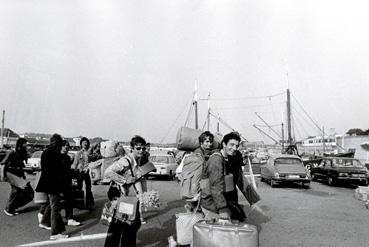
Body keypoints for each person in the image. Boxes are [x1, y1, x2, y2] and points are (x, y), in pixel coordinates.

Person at [200, 132, 260, 221]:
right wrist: (222, 208)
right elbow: (215, 187)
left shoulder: (226, 158)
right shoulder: (216, 160)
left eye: (236, 146)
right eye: (231, 145)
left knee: (239, 215)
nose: (234, 148)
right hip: (210, 203)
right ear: (224, 144)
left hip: (217, 200)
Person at [103, 135, 145, 247]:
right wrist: (125, 180)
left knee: (122, 224)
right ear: (132, 148)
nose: (141, 150)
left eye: (143, 148)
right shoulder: (126, 161)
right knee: (127, 224)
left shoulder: (135, 161)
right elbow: (108, 172)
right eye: (138, 148)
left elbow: (136, 180)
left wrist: (142, 196)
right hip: (117, 194)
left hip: (124, 196)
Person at [36, 134, 69, 240]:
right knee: (55, 207)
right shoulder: (56, 154)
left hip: (46, 183)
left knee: (51, 204)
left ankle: (45, 222)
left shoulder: (45, 152)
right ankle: (55, 233)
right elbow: (59, 172)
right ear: (58, 143)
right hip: (53, 184)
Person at [3, 137, 28, 216]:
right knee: (15, 191)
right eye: (25, 144)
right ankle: (8, 208)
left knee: (20, 191)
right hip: (11, 174)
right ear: (21, 144)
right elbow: (4, 163)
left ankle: (12, 207)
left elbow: (21, 165)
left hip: (18, 174)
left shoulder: (22, 153)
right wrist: (3, 175)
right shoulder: (12, 152)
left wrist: (23, 174)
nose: (26, 146)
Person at [60, 140, 80, 226]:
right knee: (55, 203)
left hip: (67, 182)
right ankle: (46, 218)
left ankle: (70, 218)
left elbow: (68, 171)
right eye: (64, 145)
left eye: (67, 145)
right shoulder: (57, 157)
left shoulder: (68, 158)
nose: (66, 147)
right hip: (58, 182)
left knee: (69, 200)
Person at [72, 137, 95, 210]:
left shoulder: (90, 153)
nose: (85, 144)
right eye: (83, 142)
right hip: (79, 172)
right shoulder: (78, 153)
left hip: (87, 172)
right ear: (81, 144)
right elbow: (75, 163)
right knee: (79, 188)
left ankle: (90, 204)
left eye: (86, 142)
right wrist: (74, 172)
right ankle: (79, 204)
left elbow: (93, 162)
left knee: (88, 188)